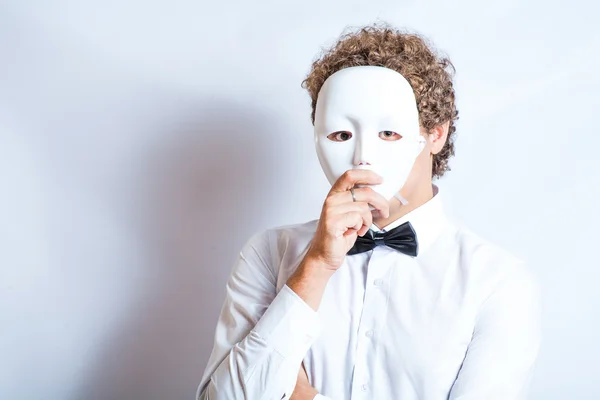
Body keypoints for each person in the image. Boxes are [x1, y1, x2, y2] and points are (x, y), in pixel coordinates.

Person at [196, 22, 541, 400]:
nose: (362, 156)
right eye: (341, 134)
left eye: (388, 133)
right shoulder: (268, 254)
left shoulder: (497, 283)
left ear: (435, 135)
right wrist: (314, 267)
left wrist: (302, 397)